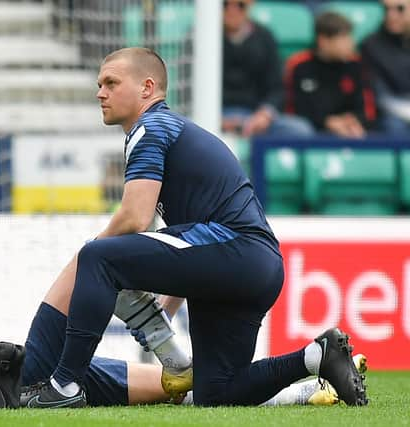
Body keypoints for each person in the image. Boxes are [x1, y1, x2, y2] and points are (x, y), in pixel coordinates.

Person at [21, 47, 367, 408]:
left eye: (111, 82)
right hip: (252, 266)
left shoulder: (150, 127)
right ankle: (316, 356)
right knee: (217, 393)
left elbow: (135, 218)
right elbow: (195, 235)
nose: (100, 93)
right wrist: (167, 307)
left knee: (98, 256)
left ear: (147, 88)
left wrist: (87, 256)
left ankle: (64, 387)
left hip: (235, 252)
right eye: (99, 84)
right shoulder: (171, 128)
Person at [0, 227, 354, 407]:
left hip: (11, 370)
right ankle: (152, 326)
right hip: (14, 382)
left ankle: (309, 373)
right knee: (90, 259)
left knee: (188, 389)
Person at [222, 0, 314, 137]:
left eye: (240, 5)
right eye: (224, 4)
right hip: (215, 114)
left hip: (256, 114)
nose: (232, 10)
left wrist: (265, 114)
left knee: (299, 130)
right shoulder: (199, 36)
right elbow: (190, 91)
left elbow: (276, 87)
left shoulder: (265, 37)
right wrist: (216, 119)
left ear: (250, 4)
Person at [284, 12, 378, 138]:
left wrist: (353, 121)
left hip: (350, 130)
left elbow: (367, 108)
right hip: (312, 132)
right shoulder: (299, 65)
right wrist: (327, 122)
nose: (351, 44)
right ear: (323, 41)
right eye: (343, 38)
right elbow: (294, 109)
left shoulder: (356, 65)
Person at [361, 0, 410, 135]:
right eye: (386, 9)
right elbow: (379, 95)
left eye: (400, 9)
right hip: (392, 114)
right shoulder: (371, 46)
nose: (391, 15)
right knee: (394, 126)